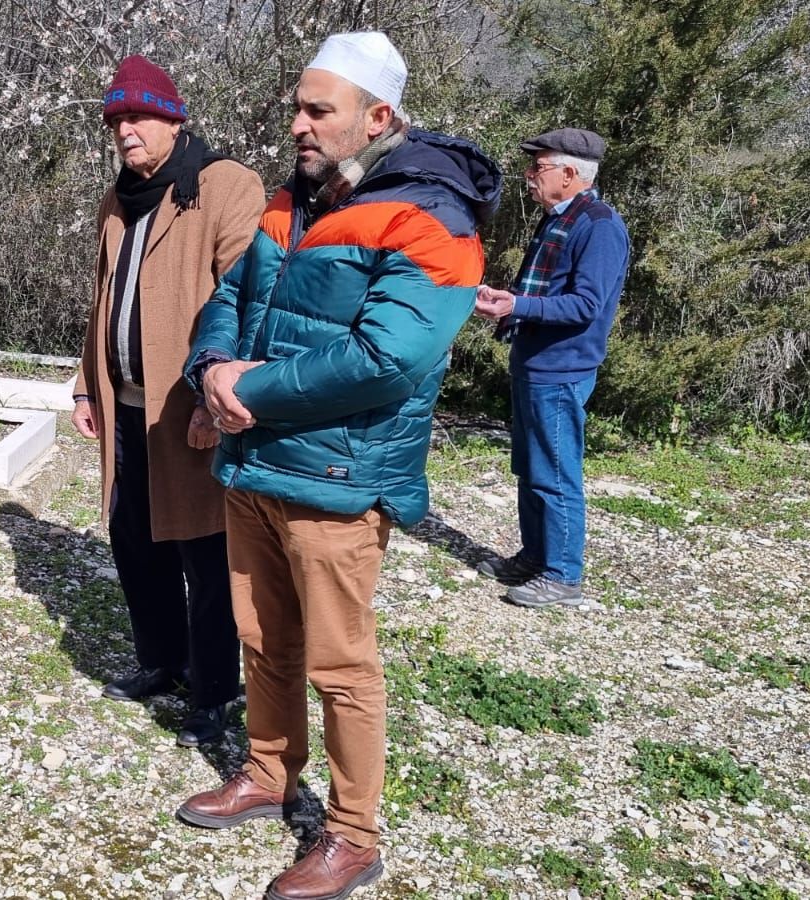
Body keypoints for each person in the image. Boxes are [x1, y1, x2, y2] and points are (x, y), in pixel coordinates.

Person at [176, 32, 500, 900]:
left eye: (318, 110)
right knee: (261, 637)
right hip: (256, 464)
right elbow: (232, 294)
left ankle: (354, 834)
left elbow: (388, 358)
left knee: (340, 666)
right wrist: (212, 369)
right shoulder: (295, 198)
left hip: (337, 480)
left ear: (378, 116)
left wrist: (250, 389)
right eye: (298, 106)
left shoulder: (432, 216)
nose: (299, 124)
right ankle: (269, 772)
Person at [72, 56, 266, 747]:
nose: (125, 131)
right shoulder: (119, 197)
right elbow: (103, 299)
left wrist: (221, 401)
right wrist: (87, 384)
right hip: (125, 403)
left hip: (189, 408)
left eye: (138, 117)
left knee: (205, 553)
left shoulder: (224, 185)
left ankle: (214, 692)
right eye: (116, 120)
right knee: (134, 539)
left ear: (174, 119)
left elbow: (249, 301)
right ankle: (161, 659)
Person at [473, 128, 630, 609]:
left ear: (569, 173)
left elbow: (585, 305)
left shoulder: (599, 226)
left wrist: (516, 305)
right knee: (530, 467)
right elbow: (544, 290)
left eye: (538, 167)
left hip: (562, 368)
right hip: (534, 361)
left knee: (555, 473)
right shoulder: (560, 219)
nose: (529, 175)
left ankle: (562, 575)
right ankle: (535, 557)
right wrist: (511, 302)